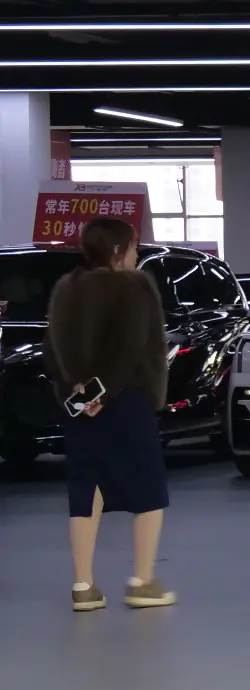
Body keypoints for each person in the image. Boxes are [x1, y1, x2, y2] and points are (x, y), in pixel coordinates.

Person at [46, 215, 176, 612]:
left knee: (87, 487)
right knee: (148, 487)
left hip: (78, 404)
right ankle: (142, 582)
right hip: (128, 399)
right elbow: (132, 347)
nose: (136, 254)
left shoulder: (67, 288)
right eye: (134, 247)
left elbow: (53, 345)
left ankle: (83, 586)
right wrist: (106, 390)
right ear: (119, 250)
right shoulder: (136, 287)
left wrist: (76, 389)